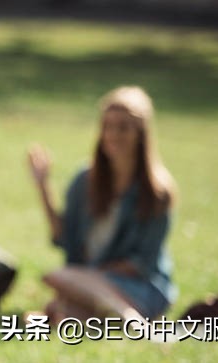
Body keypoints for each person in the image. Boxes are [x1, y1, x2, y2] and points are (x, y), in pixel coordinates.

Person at [27, 85, 178, 325]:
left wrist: (88, 278)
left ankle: (134, 323)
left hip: (140, 288)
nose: (113, 134)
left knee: (59, 278)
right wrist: (43, 187)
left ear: (141, 133)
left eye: (123, 127)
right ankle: (122, 321)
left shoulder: (157, 192)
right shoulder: (84, 181)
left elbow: (141, 264)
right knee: (59, 313)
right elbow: (63, 237)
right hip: (84, 282)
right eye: (108, 126)